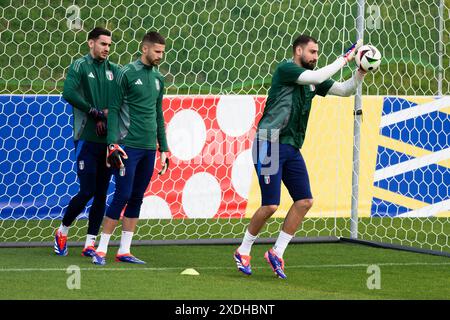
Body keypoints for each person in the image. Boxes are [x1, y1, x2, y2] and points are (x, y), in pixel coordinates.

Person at [234, 35, 366, 278]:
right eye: (312, 52)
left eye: (317, 53)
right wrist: (345, 58)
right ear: (298, 51)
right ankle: (243, 250)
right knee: (271, 204)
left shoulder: (313, 80)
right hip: (269, 143)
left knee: (305, 201)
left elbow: (345, 90)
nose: (316, 57)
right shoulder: (287, 69)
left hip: (291, 148)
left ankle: (277, 252)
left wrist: (360, 71)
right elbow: (316, 76)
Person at [92, 31, 169, 265]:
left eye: (162, 52)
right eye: (157, 51)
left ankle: (124, 250)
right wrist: (112, 143)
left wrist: (163, 148)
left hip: (148, 149)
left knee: (137, 197)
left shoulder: (158, 79)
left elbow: (158, 114)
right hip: (128, 147)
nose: (160, 56)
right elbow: (113, 110)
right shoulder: (126, 73)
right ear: (144, 49)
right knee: (122, 194)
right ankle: (101, 249)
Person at [54, 27, 120, 257]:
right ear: (91, 43)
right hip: (86, 139)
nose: (106, 49)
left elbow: (121, 100)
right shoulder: (80, 66)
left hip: (106, 142)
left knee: (102, 192)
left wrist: (106, 115)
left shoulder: (114, 70)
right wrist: (93, 112)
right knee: (88, 190)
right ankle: (62, 230)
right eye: (103, 44)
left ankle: (90, 243)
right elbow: (68, 93)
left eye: (109, 45)